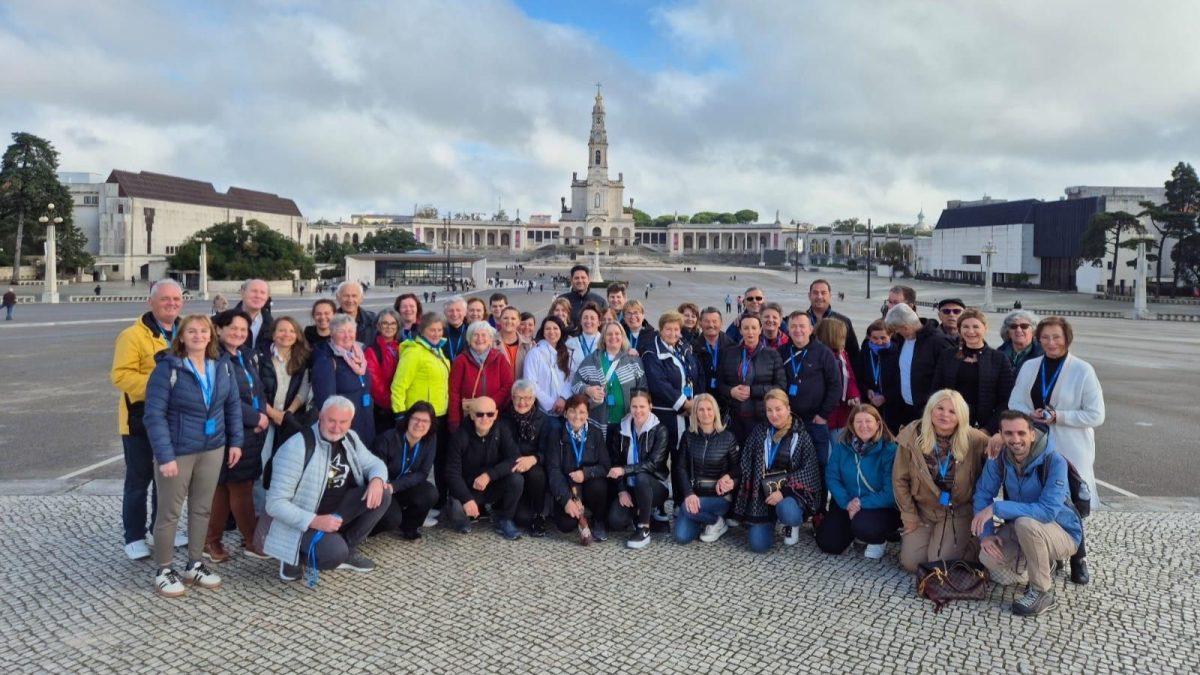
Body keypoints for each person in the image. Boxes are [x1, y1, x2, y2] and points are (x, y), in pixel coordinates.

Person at [143, 314, 243, 597]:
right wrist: (165, 456)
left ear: (211, 335)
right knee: (169, 512)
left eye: (203, 331)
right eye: (192, 331)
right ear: (182, 337)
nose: (198, 335)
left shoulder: (221, 367)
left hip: (213, 447)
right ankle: (164, 569)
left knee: (202, 509)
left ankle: (195, 563)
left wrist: (235, 442)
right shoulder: (168, 369)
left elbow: (233, 406)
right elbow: (154, 415)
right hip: (178, 450)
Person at [1009, 316, 1104, 584]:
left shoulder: (1083, 370)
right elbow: (1014, 399)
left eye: (1057, 337)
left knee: (1070, 503)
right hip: (1036, 443)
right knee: (1040, 497)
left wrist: (1058, 416)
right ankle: (1053, 551)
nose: (1051, 343)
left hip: (1070, 446)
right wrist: (1031, 412)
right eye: (1046, 337)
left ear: (1067, 339)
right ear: (1038, 340)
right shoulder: (1030, 367)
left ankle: (1078, 558)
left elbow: (1096, 414)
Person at [266, 396, 391, 583]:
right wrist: (315, 520)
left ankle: (348, 548)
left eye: (343, 422)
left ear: (350, 422)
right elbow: (274, 504)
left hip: (335, 513)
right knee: (334, 552)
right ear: (321, 417)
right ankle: (293, 556)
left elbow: (374, 463)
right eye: (331, 420)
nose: (336, 427)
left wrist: (377, 479)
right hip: (303, 523)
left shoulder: (350, 439)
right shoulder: (297, 447)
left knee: (384, 492)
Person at [972, 410, 1083, 616]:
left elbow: (1047, 511)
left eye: (1021, 433)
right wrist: (986, 535)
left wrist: (997, 508)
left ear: (1032, 434)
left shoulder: (1054, 461)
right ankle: (1041, 562)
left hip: (1062, 533)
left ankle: (1042, 592)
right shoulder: (999, 459)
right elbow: (982, 495)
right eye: (1009, 433)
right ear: (1001, 434)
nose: (1015, 440)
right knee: (988, 558)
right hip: (1020, 528)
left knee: (1026, 523)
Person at [111, 278, 184, 560]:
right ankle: (133, 536)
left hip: (174, 421)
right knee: (138, 480)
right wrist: (163, 384)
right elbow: (121, 375)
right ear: (150, 302)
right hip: (138, 419)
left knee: (167, 481)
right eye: (165, 299)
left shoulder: (184, 331)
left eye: (176, 300)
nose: (171, 304)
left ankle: (161, 529)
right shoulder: (132, 335)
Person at [892, 389, 989, 572]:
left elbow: (998, 451)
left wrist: (998, 438)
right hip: (924, 511)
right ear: (930, 410)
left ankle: (974, 542)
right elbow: (900, 480)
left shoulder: (975, 439)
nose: (945, 415)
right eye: (940, 408)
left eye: (952, 411)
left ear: (961, 416)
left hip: (957, 511)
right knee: (912, 564)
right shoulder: (912, 435)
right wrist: (909, 516)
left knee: (939, 564)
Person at [203, 310, 270, 563]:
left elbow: (258, 391)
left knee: (224, 488)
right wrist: (256, 417)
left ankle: (210, 539)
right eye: (233, 328)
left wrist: (261, 412)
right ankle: (252, 540)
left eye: (244, 329)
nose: (239, 333)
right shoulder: (215, 358)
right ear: (218, 330)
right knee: (240, 487)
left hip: (249, 432)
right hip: (231, 431)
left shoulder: (243, 355)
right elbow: (221, 398)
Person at [732, 389, 822, 552]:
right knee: (758, 545)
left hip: (789, 494)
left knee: (787, 510)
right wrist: (730, 477)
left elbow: (810, 472)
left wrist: (783, 492)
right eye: (769, 410)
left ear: (788, 409)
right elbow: (745, 461)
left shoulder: (800, 435)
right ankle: (770, 521)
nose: (774, 414)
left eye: (778, 409)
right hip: (762, 494)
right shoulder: (760, 431)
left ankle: (790, 524)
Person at [815, 404, 900, 559]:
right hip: (847, 503)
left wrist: (860, 503)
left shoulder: (890, 450)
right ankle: (853, 532)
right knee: (827, 543)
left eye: (868, 421)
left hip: (878, 506)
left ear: (878, 424)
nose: (864, 426)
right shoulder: (842, 447)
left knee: (864, 526)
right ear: (852, 425)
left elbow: (890, 493)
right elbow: (832, 477)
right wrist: (847, 502)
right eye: (858, 421)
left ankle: (878, 539)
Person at [390, 311, 451, 508]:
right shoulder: (415, 352)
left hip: (438, 415)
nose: (436, 333)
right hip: (418, 417)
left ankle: (439, 502)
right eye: (432, 330)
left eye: (439, 330)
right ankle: (415, 503)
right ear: (422, 331)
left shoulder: (437, 350)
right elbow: (399, 386)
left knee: (438, 461)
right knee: (417, 463)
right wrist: (400, 415)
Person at [444, 396, 524, 540]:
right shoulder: (459, 436)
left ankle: (504, 519)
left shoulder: (502, 429)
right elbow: (451, 473)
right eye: (480, 414)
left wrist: (489, 475)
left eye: (490, 414)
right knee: (457, 510)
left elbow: (513, 458)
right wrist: (466, 498)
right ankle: (470, 511)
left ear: (496, 414)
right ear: (472, 415)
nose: (485, 418)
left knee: (516, 479)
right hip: (468, 487)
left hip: (492, 484)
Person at [256, 316, 312, 513]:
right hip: (265, 416)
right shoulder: (260, 358)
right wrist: (272, 413)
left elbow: (303, 390)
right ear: (273, 334)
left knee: (286, 466)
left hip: (289, 418)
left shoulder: (302, 359)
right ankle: (261, 514)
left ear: (297, 336)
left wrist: (287, 414)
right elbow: (254, 390)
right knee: (262, 466)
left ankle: (282, 509)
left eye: (291, 331)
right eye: (281, 330)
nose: (286, 335)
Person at [930, 308, 1015, 433]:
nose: (971, 331)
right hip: (950, 425)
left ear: (985, 328)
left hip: (984, 427)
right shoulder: (947, 356)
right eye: (965, 327)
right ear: (959, 329)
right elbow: (936, 392)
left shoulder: (999, 358)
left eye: (976, 327)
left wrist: (988, 429)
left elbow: (1006, 400)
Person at [671, 394, 739, 544]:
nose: (705, 413)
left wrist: (728, 477)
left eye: (709, 409)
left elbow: (738, 468)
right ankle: (704, 520)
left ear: (715, 411)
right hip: (695, 494)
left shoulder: (728, 437)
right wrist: (688, 493)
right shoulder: (688, 436)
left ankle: (717, 522)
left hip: (719, 497)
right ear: (695, 413)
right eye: (701, 410)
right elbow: (680, 468)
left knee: (686, 509)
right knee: (681, 537)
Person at [606, 390, 670, 549]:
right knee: (615, 521)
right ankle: (638, 513)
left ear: (650, 406)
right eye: (634, 406)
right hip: (630, 487)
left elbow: (653, 464)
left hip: (655, 485)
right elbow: (615, 462)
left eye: (642, 406)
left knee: (642, 477)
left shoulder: (660, 430)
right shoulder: (620, 429)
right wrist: (621, 490)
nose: (638, 410)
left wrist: (624, 470)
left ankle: (644, 528)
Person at [545, 395, 611, 544]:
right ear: (565, 413)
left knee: (599, 485)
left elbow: (605, 467)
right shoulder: (556, 434)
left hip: (589, 484)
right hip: (567, 486)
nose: (577, 416)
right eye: (573, 411)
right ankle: (579, 514)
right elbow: (553, 470)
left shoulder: (596, 433)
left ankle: (598, 521)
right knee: (565, 525)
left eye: (582, 412)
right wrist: (566, 500)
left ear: (588, 414)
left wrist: (586, 473)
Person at [780, 311, 840, 468]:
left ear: (811, 329)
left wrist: (823, 415)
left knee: (818, 464)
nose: (798, 330)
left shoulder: (823, 352)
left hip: (815, 421)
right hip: (788, 420)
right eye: (793, 326)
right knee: (790, 463)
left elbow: (835, 386)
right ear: (788, 329)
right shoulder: (782, 352)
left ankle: (819, 494)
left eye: (802, 326)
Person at [371, 401, 439, 540]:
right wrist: (388, 487)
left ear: (431, 424)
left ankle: (409, 527)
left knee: (430, 493)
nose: (420, 424)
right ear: (408, 419)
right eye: (416, 419)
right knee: (392, 518)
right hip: (382, 487)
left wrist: (395, 486)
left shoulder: (430, 439)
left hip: (400, 485)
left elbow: (423, 473)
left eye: (425, 421)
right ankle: (366, 531)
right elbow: (376, 470)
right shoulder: (387, 439)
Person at [880, 304, 954, 431]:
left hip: (928, 411)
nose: (896, 334)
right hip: (906, 409)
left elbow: (948, 379)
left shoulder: (939, 342)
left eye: (898, 330)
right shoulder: (903, 340)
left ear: (906, 327)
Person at [571, 320, 647, 441]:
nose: (613, 337)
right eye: (609, 334)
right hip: (598, 421)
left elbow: (643, 389)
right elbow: (575, 384)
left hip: (627, 420)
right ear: (603, 338)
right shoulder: (591, 360)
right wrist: (588, 389)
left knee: (623, 457)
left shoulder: (633, 360)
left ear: (623, 337)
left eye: (617, 334)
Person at [718, 314, 787, 445]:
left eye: (754, 328)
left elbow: (781, 386)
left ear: (760, 329)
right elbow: (720, 384)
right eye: (746, 328)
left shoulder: (772, 354)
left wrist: (753, 391)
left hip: (761, 417)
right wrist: (731, 391)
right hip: (735, 417)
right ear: (740, 330)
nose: (750, 332)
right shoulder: (729, 353)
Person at [311, 314, 376, 446]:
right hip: (344, 426)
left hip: (365, 419)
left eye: (350, 331)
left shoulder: (360, 354)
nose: (347, 336)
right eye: (341, 331)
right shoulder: (327, 360)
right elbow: (326, 403)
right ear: (332, 334)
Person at [643, 311, 701, 457]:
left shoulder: (683, 346)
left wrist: (696, 401)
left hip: (688, 413)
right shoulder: (652, 352)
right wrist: (684, 403)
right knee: (661, 457)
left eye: (676, 329)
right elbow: (658, 384)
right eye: (668, 329)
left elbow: (696, 373)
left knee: (682, 459)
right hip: (665, 415)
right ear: (661, 330)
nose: (672, 333)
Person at [502, 381, 551, 536]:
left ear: (534, 398)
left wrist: (533, 459)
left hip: (534, 464)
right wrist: (518, 460)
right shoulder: (504, 418)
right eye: (518, 398)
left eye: (527, 398)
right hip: (511, 463)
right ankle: (506, 512)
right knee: (522, 518)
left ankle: (539, 514)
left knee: (537, 474)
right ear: (511, 398)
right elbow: (503, 447)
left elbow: (546, 450)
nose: (522, 403)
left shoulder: (543, 419)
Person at [448, 321, 514, 432]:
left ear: (490, 339)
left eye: (484, 335)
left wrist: (487, 405)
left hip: (494, 415)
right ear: (469, 339)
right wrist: (454, 421)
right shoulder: (461, 360)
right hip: (468, 418)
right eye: (475, 335)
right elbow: (454, 392)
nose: (480, 338)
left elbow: (508, 385)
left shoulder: (500, 359)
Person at [814, 317, 861, 438]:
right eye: (842, 336)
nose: (845, 339)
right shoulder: (819, 356)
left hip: (842, 414)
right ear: (832, 336)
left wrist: (853, 394)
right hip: (826, 413)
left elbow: (850, 376)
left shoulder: (842, 354)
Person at [524, 316, 573, 417]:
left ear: (561, 331)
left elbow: (571, 378)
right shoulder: (534, 353)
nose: (552, 332)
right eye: (547, 329)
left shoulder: (567, 352)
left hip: (566, 407)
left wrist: (563, 399)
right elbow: (530, 383)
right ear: (542, 331)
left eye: (555, 328)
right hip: (543, 411)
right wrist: (551, 404)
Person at [364, 309, 403, 434]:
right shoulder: (372, 350)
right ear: (378, 326)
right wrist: (392, 404)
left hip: (400, 406)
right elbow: (376, 384)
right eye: (385, 323)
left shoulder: (402, 347)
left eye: (393, 323)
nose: (389, 327)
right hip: (384, 410)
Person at [806, 279, 860, 364]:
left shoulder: (843, 321)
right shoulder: (801, 321)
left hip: (836, 371)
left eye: (823, 293)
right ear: (809, 296)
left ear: (830, 296)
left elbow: (854, 353)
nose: (819, 296)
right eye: (815, 293)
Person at [693, 307, 732, 401]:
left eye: (715, 321)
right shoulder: (692, 348)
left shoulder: (732, 346)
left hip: (726, 401)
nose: (711, 325)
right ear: (700, 323)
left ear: (721, 323)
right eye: (706, 321)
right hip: (701, 400)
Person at [856, 319, 890, 412]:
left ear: (890, 336)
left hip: (891, 406)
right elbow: (859, 377)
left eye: (883, 338)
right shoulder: (865, 352)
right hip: (869, 402)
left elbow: (899, 383)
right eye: (875, 338)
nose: (879, 342)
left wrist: (885, 396)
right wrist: (866, 390)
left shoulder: (895, 353)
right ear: (869, 338)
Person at [233, 279, 273, 353]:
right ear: (242, 292)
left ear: (267, 297)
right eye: (254, 291)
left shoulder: (272, 324)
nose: (258, 296)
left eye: (262, 292)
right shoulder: (223, 321)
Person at [998, 309, 1044, 373]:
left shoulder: (1043, 355)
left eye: (1024, 326)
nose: (1018, 330)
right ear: (1007, 332)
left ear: (1033, 331)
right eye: (1013, 326)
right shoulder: (998, 354)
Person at [565, 302, 603, 374]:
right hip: (577, 383)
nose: (588, 321)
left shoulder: (607, 343)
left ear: (599, 322)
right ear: (580, 321)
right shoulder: (570, 344)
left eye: (592, 318)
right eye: (585, 318)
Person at [334, 281, 376, 346]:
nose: (350, 300)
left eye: (354, 296)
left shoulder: (373, 320)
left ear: (361, 298)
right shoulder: (329, 321)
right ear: (338, 297)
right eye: (346, 296)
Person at [496, 306, 532, 380]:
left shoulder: (528, 345)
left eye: (513, 318)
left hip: (521, 389)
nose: (509, 321)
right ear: (499, 320)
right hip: (499, 390)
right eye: (505, 318)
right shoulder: (490, 343)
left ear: (519, 322)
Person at [440, 296, 468, 363]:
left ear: (465, 312)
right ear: (445, 313)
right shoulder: (438, 333)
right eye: (450, 311)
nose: (454, 314)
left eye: (458, 310)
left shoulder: (471, 332)